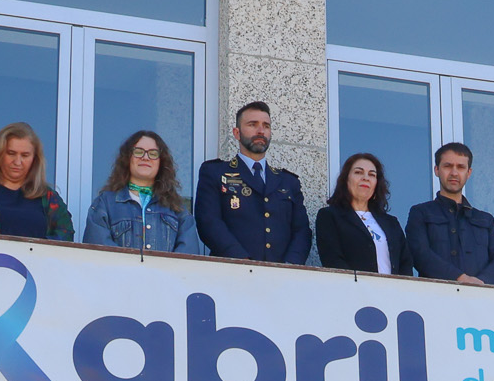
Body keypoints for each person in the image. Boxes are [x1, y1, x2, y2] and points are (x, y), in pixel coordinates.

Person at [194, 101, 312, 264]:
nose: (260, 131)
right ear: (237, 133)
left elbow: (302, 231)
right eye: (252, 124)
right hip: (231, 270)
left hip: (281, 274)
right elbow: (208, 222)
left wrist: (290, 265)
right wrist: (241, 260)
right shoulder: (215, 172)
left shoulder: (288, 182)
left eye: (266, 126)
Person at [82, 130, 205, 256]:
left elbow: (188, 255)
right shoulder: (105, 203)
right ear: (127, 158)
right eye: (138, 152)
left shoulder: (177, 208)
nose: (145, 157)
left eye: (153, 153)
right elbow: (97, 251)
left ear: (161, 162)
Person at [404, 142, 494, 285]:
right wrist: (460, 278)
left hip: (481, 296)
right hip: (434, 295)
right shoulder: (420, 213)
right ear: (436, 170)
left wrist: (481, 283)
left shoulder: (485, 220)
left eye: (460, 167)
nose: (454, 173)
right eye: (447, 166)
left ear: (468, 173)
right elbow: (420, 254)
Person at [316, 152, 408, 275]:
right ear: (346, 179)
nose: (366, 178)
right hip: (351, 286)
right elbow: (332, 259)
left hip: (392, 287)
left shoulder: (391, 222)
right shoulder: (329, 216)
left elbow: (405, 262)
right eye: (358, 172)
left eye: (372, 174)